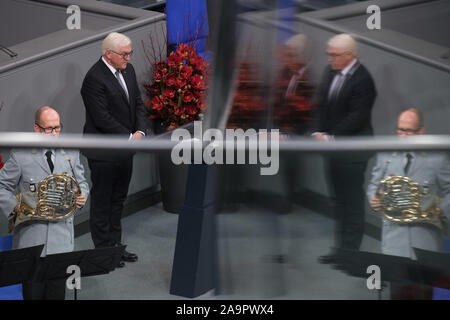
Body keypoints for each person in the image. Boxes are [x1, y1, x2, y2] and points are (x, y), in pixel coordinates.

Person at [0, 106, 89, 300]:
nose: (54, 133)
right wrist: (16, 209)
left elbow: (81, 182)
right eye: (49, 129)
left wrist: (82, 195)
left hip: (62, 241)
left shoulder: (70, 152)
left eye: (57, 128)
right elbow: (2, 186)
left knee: (57, 295)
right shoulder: (21, 155)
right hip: (31, 241)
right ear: (37, 129)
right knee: (33, 294)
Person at [81, 32, 149, 267]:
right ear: (108, 54)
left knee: (118, 200)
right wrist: (129, 136)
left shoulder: (127, 70)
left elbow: (138, 103)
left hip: (125, 149)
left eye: (130, 53)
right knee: (102, 202)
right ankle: (103, 255)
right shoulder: (93, 79)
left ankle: (116, 248)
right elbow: (102, 118)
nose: (128, 58)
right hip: (104, 152)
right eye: (124, 54)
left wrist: (140, 131)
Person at [367, 108, 450, 299]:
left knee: (424, 294)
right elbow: (373, 184)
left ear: (420, 131)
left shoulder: (437, 158)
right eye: (400, 130)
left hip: (425, 242)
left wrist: (438, 210)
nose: (402, 136)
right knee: (397, 294)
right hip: (394, 242)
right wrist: (374, 198)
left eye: (408, 131)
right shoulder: (385, 154)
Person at [311, 34, 377, 263]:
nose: (330, 59)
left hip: (351, 153)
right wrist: (317, 132)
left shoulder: (363, 80)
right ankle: (340, 250)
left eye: (334, 55)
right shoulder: (330, 72)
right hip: (333, 150)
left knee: (352, 203)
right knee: (338, 200)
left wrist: (330, 137)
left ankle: (350, 254)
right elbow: (320, 105)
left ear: (350, 55)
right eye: (329, 54)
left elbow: (356, 118)